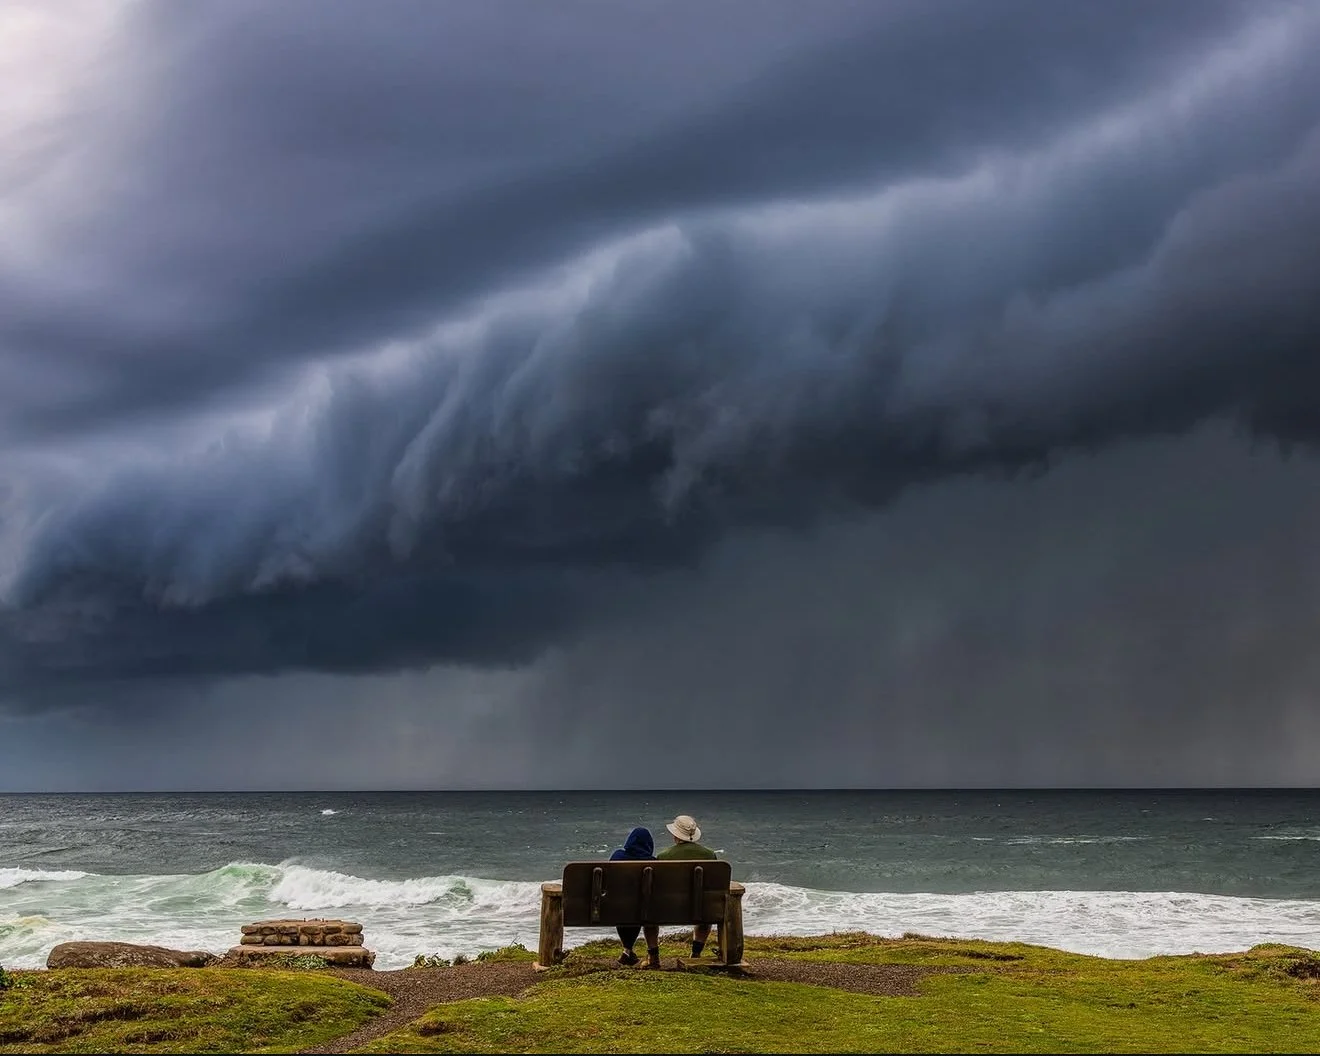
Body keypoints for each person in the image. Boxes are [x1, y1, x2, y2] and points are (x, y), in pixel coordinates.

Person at [656, 813, 718, 958]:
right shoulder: (710, 855)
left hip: (668, 909)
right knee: (705, 908)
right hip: (700, 909)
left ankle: (653, 955)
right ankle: (696, 953)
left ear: (675, 835)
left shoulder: (663, 856)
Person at [609, 826, 660, 967]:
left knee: (627, 906)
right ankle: (633, 953)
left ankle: (628, 950)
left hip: (618, 908)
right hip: (646, 910)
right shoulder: (655, 863)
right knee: (641, 907)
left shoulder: (617, 857)